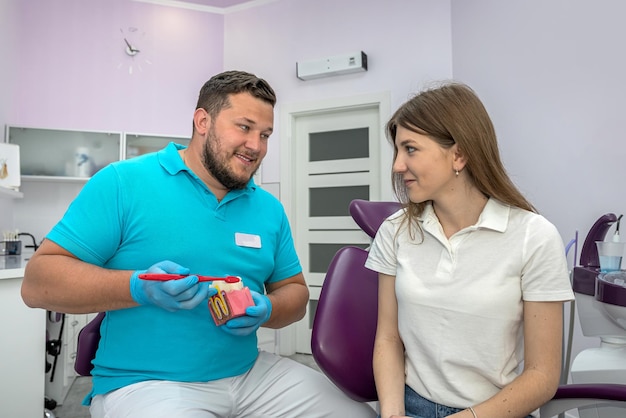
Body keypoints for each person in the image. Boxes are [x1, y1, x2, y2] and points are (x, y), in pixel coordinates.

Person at [21, 70, 376, 418]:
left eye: (265, 134)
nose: (256, 146)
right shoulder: (123, 182)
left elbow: (295, 292)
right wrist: (137, 287)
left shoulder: (268, 209)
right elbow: (37, 283)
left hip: (251, 375)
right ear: (202, 121)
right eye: (244, 127)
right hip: (147, 383)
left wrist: (266, 308)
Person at [364, 82, 574, 418]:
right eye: (397, 151)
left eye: (411, 149)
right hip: (410, 405)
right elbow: (388, 339)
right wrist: (392, 414)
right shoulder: (395, 231)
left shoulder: (533, 237)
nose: (397, 166)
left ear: (459, 155)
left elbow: (542, 376)